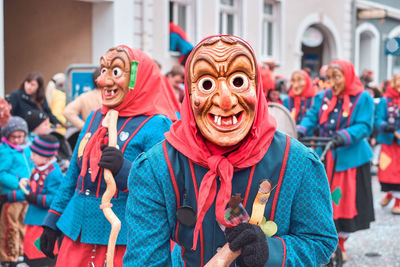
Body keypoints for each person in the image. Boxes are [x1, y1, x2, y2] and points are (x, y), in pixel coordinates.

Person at [124, 35, 337, 266]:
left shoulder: (299, 163)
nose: (225, 101)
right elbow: (144, 260)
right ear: (190, 92)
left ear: (257, 88)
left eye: (238, 81)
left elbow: (319, 241)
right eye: (207, 84)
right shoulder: (157, 167)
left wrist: (272, 251)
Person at [39, 45, 178, 266]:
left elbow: (166, 187)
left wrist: (125, 169)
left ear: (136, 78)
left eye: (115, 72)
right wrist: (52, 219)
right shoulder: (95, 117)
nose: (102, 81)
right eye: (103, 70)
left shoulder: (157, 124)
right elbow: (74, 174)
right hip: (77, 233)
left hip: (125, 239)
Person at [298, 59, 375, 261]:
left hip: (349, 160)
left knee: (342, 201)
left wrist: (345, 135)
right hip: (324, 154)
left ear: (348, 76)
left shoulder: (363, 98)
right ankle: (324, 238)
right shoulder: (321, 96)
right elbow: (311, 117)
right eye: (329, 77)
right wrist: (300, 130)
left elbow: (365, 125)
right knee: (320, 198)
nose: (332, 82)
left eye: (336, 77)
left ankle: (340, 243)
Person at [0, 134, 62, 266]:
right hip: (32, 219)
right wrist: (8, 197)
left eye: (34, 154)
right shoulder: (36, 170)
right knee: (29, 248)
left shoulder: (54, 174)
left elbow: (56, 199)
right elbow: (27, 191)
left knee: (41, 251)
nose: (31, 157)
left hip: (44, 222)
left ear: (46, 156)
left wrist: (37, 199)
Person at [0, 116, 32, 265]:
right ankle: (8, 256)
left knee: (22, 226)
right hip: (11, 197)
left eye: (21, 136)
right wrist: (18, 182)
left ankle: (20, 252)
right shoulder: (6, 151)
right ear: (7, 136)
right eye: (14, 137)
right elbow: (2, 173)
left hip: (25, 196)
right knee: (10, 228)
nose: (18, 140)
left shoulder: (26, 150)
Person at [375, 73, 400, 215]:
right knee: (387, 173)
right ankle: (390, 194)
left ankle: (397, 201)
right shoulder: (385, 101)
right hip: (389, 143)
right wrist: (389, 128)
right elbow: (378, 119)